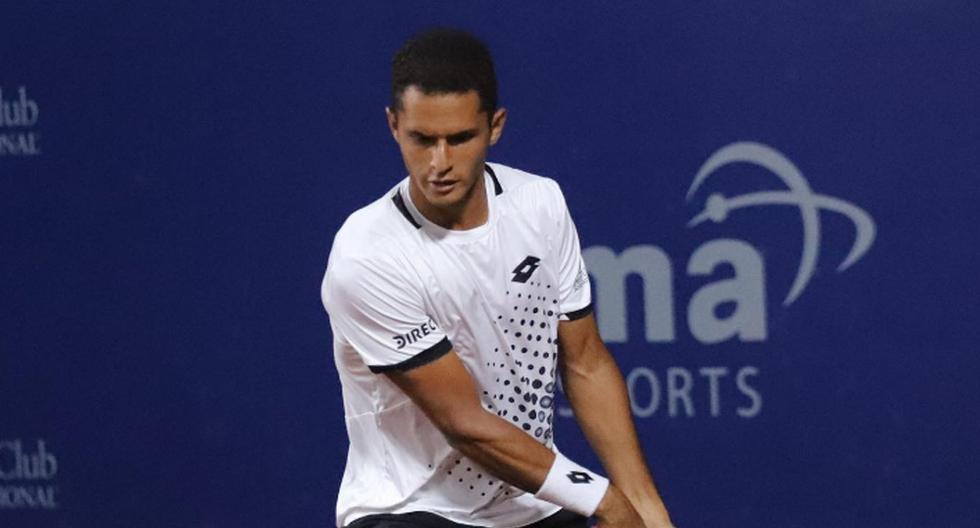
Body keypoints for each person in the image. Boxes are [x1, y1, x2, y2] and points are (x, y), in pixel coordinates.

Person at [321, 28, 674, 528]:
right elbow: (464, 424)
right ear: (393, 126)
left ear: (495, 127)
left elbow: (587, 363)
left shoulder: (540, 204)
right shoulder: (367, 256)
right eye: (422, 139)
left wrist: (646, 507)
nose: (439, 163)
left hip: (533, 504)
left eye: (460, 138)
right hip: (411, 510)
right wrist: (604, 500)